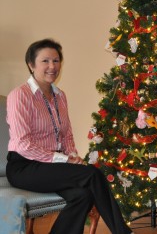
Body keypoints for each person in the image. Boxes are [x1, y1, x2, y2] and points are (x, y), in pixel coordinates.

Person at [6, 39, 133, 234]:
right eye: (45, 61)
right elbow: (23, 145)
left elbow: (66, 136)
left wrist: (72, 156)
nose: (52, 66)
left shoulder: (60, 96)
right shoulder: (20, 95)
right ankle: (123, 232)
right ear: (31, 65)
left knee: (82, 194)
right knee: (93, 174)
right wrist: (64, 159)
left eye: (56, 61)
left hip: (53, 164)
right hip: (24, 166)